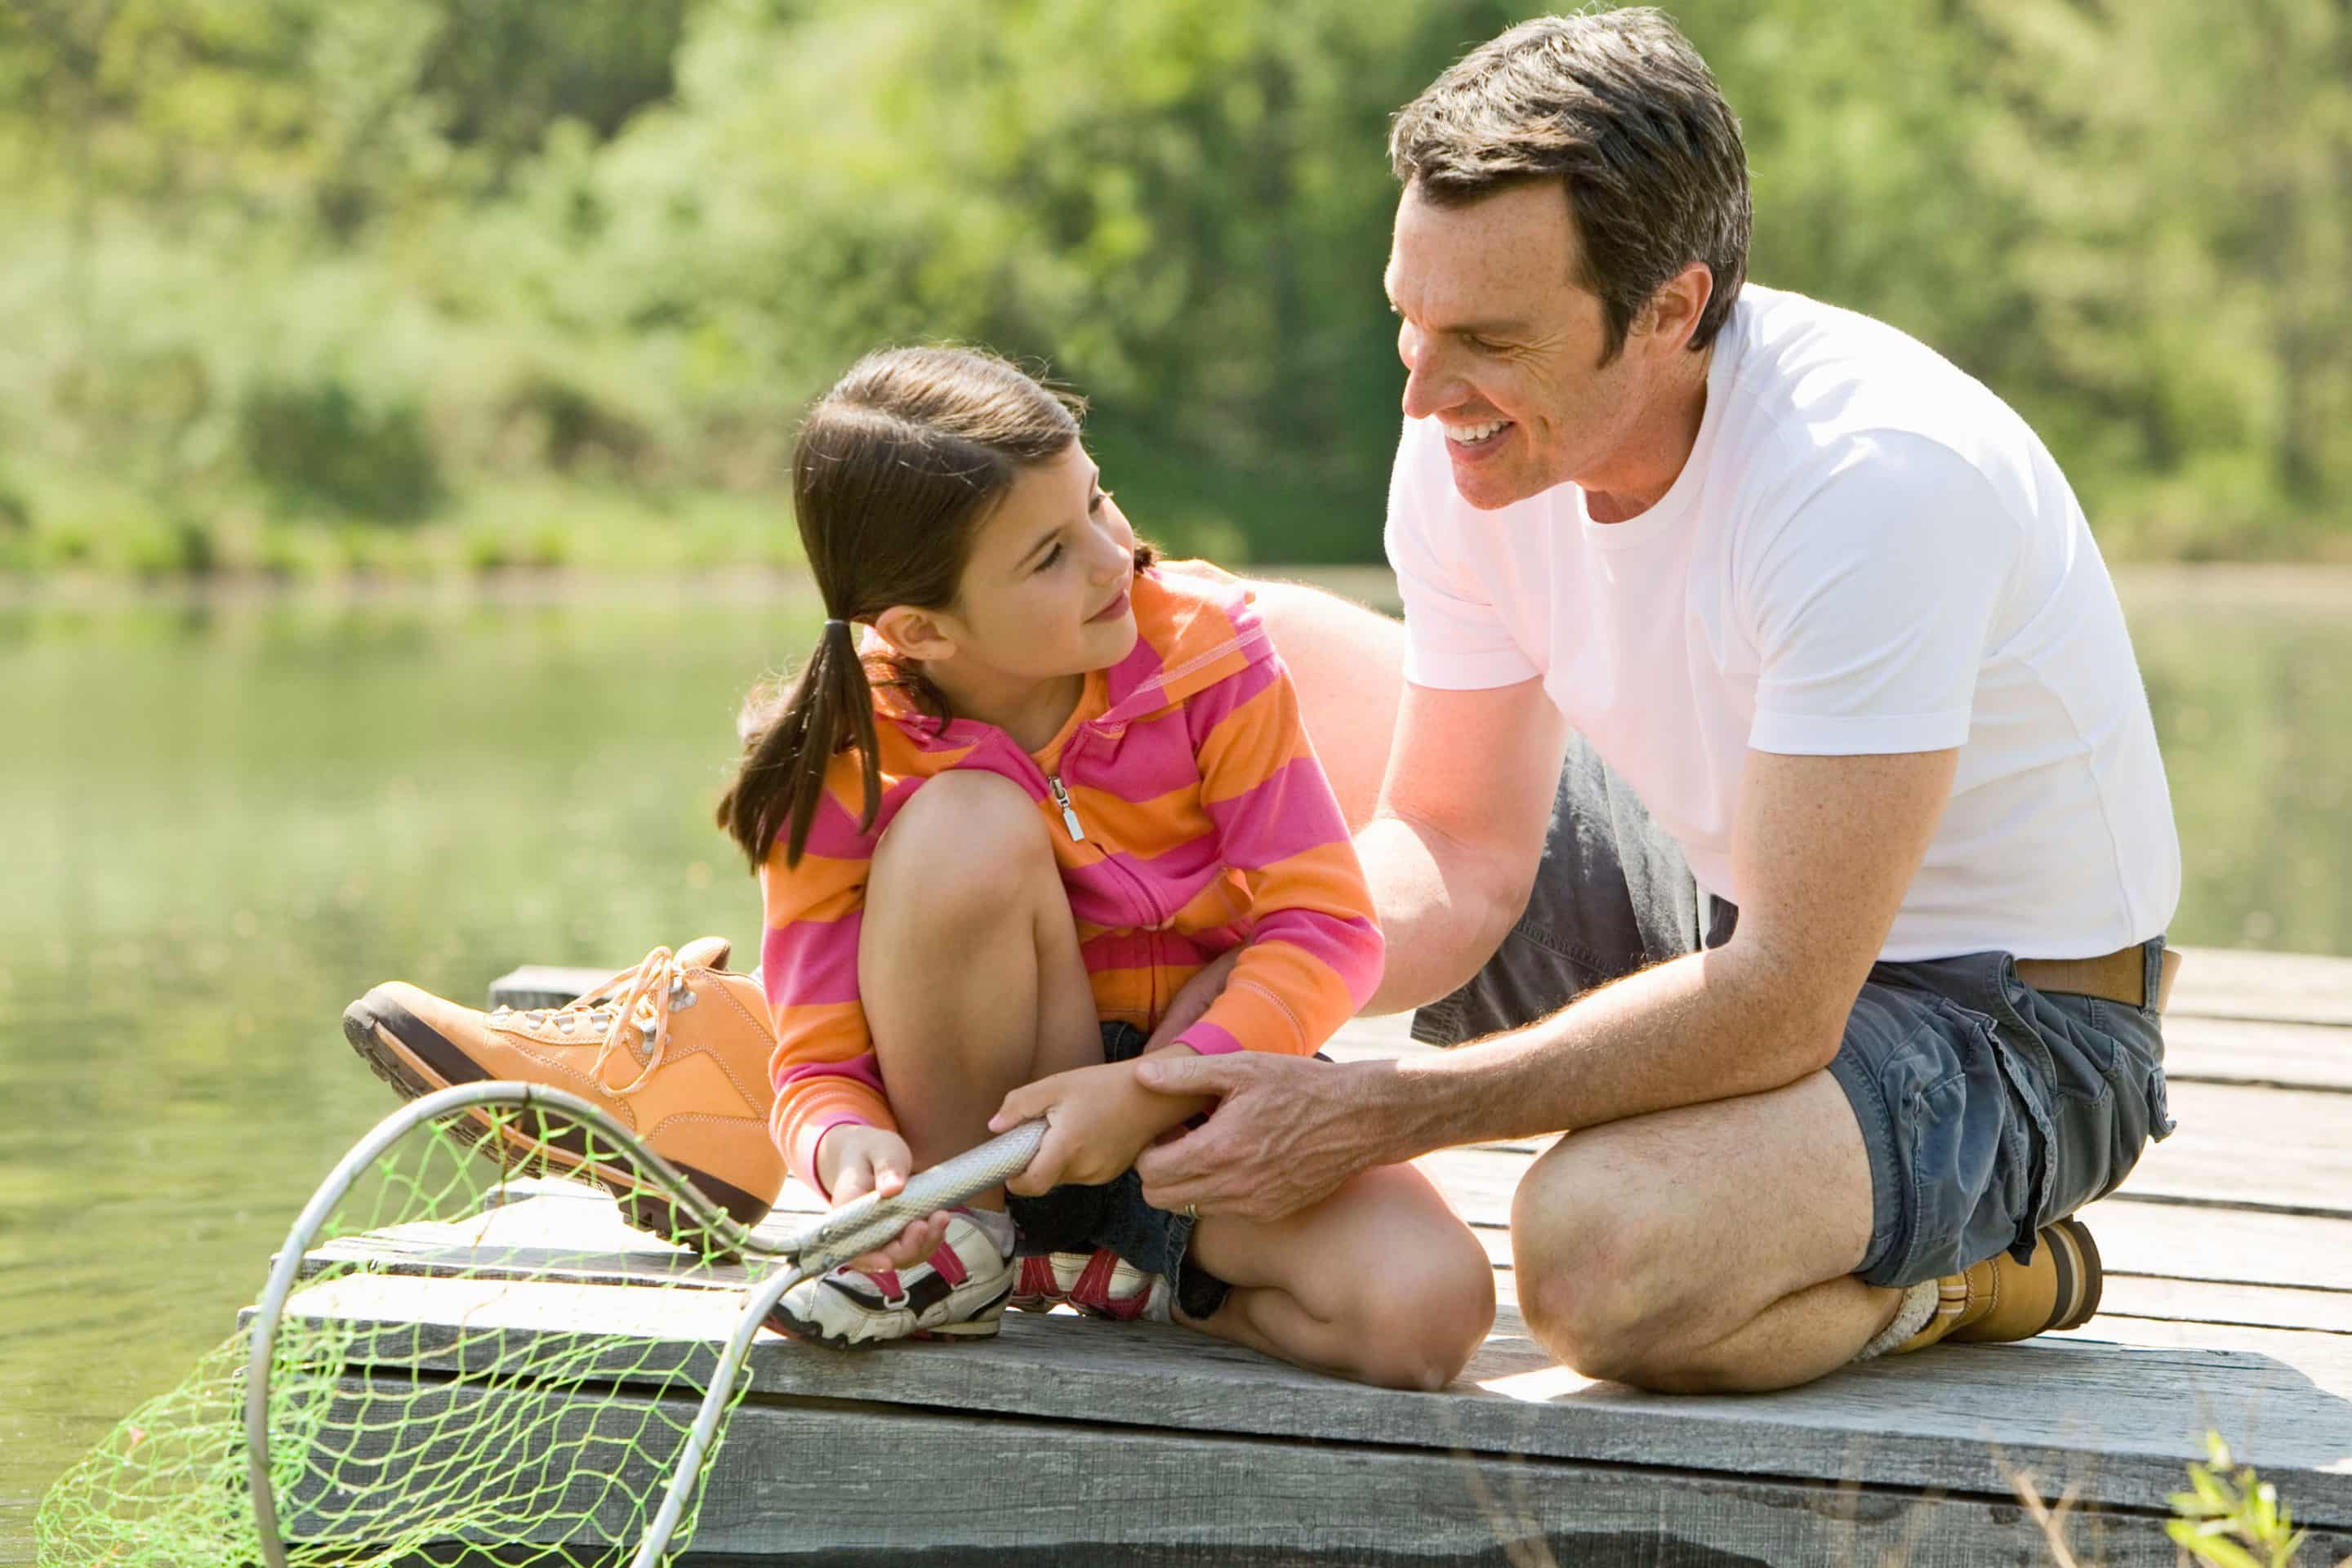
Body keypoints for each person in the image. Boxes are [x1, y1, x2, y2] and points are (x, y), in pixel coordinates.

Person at [1125, 8, 2182, 1395]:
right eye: (1409, 320)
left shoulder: (1870, 481)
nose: (1428, 392)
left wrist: (1381, 1112)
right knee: (1208, 650)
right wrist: (1223, 1002)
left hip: (2009, 1016)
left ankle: (1988, 1274)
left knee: (1602, 1259)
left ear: (1674, 309)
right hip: (1724, 899)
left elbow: (1785, 1006)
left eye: (1488, 338)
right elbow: (1456, 847)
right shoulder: (1474, 435)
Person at [345, 345, 1494, 1393]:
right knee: (966, 827)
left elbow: (1326, 931)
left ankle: (1131, 1276)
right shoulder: (845, 749)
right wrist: (853, 1158)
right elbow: (819, 1066)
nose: (1112, 556)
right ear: (924, 629)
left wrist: (1157, 1087)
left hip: (1184, 1105)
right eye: (1050, 555)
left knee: (1431, 1315)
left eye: (1096, 498)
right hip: (980, 1137)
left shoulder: (1203, 649)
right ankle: (970, 1249)